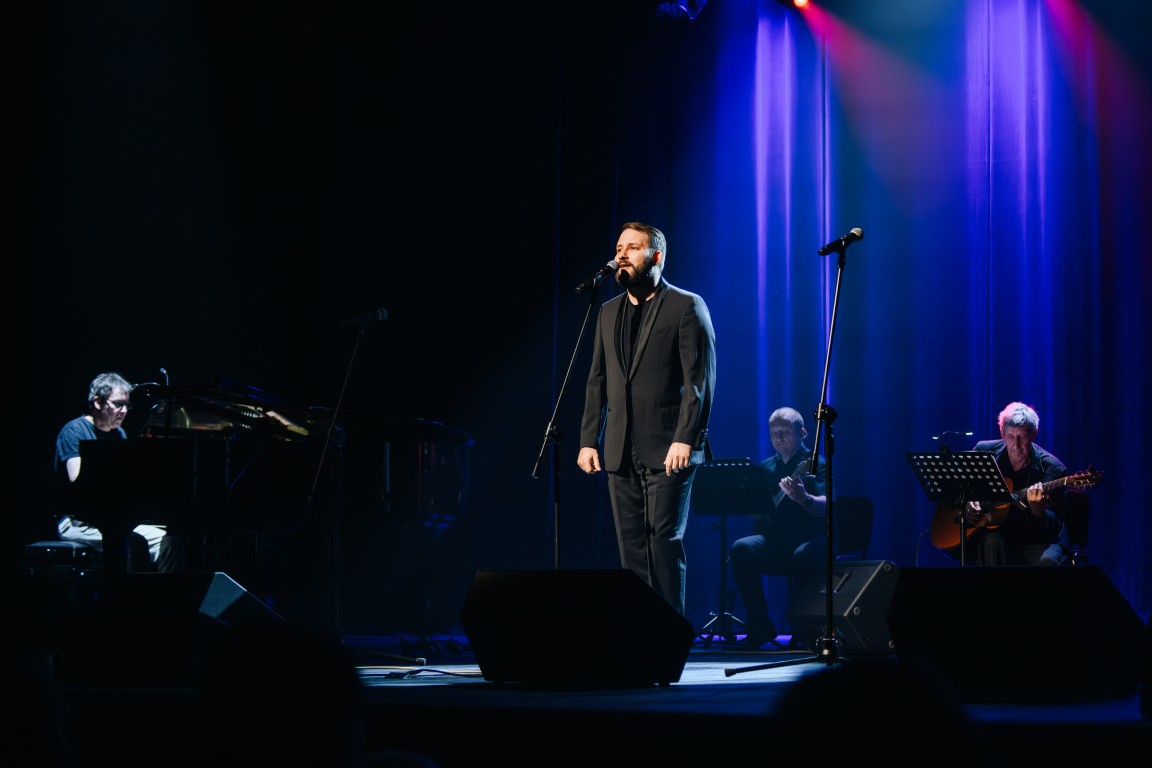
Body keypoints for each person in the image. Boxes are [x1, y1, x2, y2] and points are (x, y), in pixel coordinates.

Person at [577, 221, 716, 616]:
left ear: (656, 257)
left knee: (662, 541)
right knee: (632, 545)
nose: (621, 255)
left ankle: (670, 632)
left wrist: (686, 437)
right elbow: (597, 380)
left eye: (632, 248)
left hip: (670, 446)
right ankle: (639, 630)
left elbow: (699, 380)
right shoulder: (607, 312)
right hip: (620, 447)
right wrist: (589, 439)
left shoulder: (686, 305)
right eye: (619, 248)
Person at [53, 371, 184, 572]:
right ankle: (127, 591)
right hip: (77, 521)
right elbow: (77, 482)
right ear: (98, 402)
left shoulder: (118, 433)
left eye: (127, 405)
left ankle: (164, 590)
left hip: (112, 515)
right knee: (133, 541)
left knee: (172, 540)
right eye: (118, 404)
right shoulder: (74, 430)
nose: (124, 411)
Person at [729, 406, 829, 648]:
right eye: (774, 433)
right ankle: (760, 626)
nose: (778, 437)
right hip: (775, 540)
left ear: (802, 433)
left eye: (784, 432)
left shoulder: (815, 463)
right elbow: (759, 512)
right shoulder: (765, 468)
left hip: (810, 538)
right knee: (741, 548)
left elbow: (827, 506)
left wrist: (804, 498)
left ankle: (803, 630)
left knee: (803, 555)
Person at [955, 401, 1068, 566]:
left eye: (1023, 437)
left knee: (1048, 562)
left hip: (1037, 539)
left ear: (1034, 434)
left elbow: (1056, 524)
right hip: (998, 534)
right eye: (1010, 437)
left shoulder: (1053, 469)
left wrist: (1039, 513)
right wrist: (967, 503)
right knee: (992, 542)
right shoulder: (984, 452)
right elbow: (956, 486)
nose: (1016, 445)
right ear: (1002, 433)